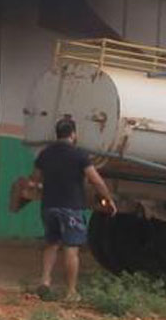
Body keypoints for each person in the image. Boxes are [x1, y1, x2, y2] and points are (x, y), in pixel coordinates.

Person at [31, 117, 117, 302]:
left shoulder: (45, 154)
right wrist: (107, 199)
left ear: (57, 134)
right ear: (73, 134)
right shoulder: (79, 155)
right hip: (70, 208)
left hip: (48, 206)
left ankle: (45, 281)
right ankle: (71, 292)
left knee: (51, 243)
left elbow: (35, 179)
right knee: (71, 248)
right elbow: (95, 180)